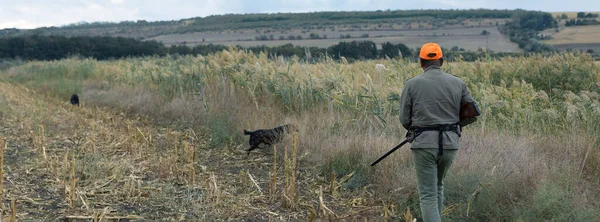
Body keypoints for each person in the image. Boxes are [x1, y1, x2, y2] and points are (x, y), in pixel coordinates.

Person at [399, 42, 477, 222]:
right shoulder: (458, 83)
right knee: (438, 187)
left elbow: (404, 120)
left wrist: (417, 130)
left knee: (427, 194)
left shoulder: (412, 84)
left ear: (421, 62)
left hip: (424, 144)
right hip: (450, 145)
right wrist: (454, 127)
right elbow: (473, 115)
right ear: (441, 61)